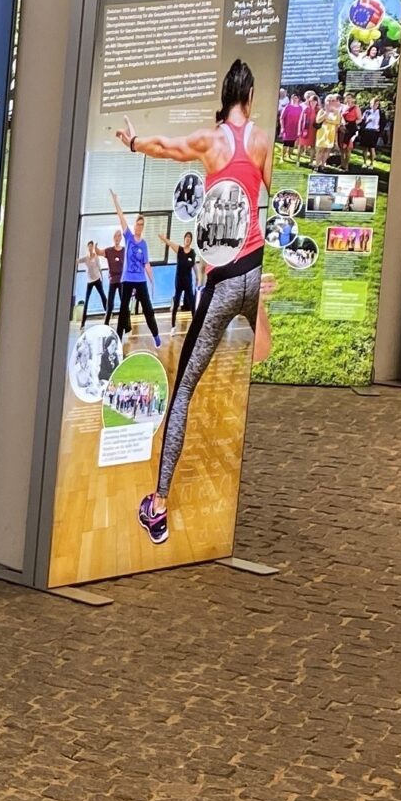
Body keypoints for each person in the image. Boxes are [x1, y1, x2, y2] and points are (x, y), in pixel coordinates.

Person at [114, 58, 272, 547]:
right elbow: (277, 203)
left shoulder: (211, 140)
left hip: (222, 283)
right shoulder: (262, 141)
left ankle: (158, 506)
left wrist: (134, 142)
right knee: (263, 355)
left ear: (225, 97)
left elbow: (165, 147)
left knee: (183, 390)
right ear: (251, 97)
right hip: (255, 273)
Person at [111, 194, 162, 347]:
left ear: (143, 227)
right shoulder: (128, 237)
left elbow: (146, 264)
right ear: (134, 226)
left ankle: (156, 335)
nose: (139, 226)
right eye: (137, 224)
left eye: (141, 225)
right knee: (123, 310)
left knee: (148, 309)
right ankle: (118, 340)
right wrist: (116, 201)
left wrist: (152, 282)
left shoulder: (144, 244)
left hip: (140, 280)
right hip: (127, 280)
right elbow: (121, 217)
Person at [80, 237, 111, 326]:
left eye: (91, 246)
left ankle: (108, 313)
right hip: (89, 281)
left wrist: (102, 278)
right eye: (89, 246)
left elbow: (99, 267)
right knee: (87, 300)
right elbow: (78, 261)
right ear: (87, 247)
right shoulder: (86, 258)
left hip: (97, 280)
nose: (90, 248)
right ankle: (83, 322)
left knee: (102, 296)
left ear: (93, 247)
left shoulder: (96, 257)